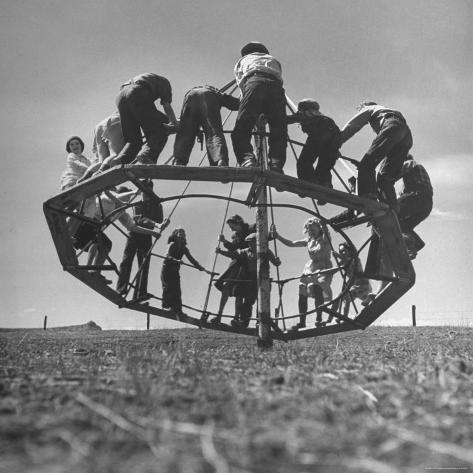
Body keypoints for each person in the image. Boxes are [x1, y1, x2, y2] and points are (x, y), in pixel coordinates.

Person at [72, 187, 162, 285]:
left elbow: (132, 227)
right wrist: (133, 192)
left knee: (106, 244)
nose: (127, 203)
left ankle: (95, 272)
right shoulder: (107, 197)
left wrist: (153, 233)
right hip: (82, 227)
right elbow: (117, 196)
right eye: (127, 200)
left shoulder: (120, 212)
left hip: (90, 234)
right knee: (97, 239)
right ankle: (89, 267)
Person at [340, 101, 413, 210]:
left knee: (366, 164)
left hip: (393, 126)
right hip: (406, 135)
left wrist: (336, 143)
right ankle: (392, 207)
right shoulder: (386, 111)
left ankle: (368, 196)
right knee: (386, 177)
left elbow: (353, 125)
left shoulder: (370, 108)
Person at [100, 73, 179, 171]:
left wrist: (167, 121)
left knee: (133, 141)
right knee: (159, 133)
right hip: (137, 92)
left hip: (121, 97)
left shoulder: (149, 78)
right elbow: (167, 107)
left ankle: (120, 160)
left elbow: (145, 113)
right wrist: (176, 124)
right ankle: (147, 156)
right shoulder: (165, 83)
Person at [231, 41, 287, 172]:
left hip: (254, 82)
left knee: (242, 126)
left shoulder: (243, 60)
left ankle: (247, 159)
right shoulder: (273, 60)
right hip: (277, 88)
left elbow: (242, 85)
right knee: (279, 130)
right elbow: (278, 76)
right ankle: (276, 165)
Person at [271, 218, 333, 330]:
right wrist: (277, 236)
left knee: (317, 287)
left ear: (319, 229)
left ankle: (318, 319)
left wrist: (324, 225)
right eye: (309, 230)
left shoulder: (324, 239)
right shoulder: (309, 240)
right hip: (311, 267)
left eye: (313, 229)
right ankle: (302, 321)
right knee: (302, 288)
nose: (311, 232)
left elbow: (327, 236)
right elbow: (291, 244)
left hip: (324, 267)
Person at [116, 180, 169, 302]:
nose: (145, 194)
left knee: (144, 265)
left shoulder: (157, 205)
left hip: (147, 236)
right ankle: (121, 289)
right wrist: (156, 225)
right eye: (144, 191)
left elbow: (159, 219)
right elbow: (138, 219)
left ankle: (140, 294)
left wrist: (162, 224)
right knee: (127, 261)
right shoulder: (137, 203)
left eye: (147, 191)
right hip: (135, 233)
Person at [216, 233, 280, 328]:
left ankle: (260, 322)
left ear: (257, 242)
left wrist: (277, 261)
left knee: (262, 301)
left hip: (263, 278)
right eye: (249, 243)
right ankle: (243, 322)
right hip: (251, 279)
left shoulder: (266, 251)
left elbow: (276, 263)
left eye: (252, 242)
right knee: (248, 302)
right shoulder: (246, 251)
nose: (250, 244)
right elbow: (234, 254)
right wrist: (221, 252)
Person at [173, 85, 240, 166]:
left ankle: (179, 160)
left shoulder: (195, 91)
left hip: (189, 96)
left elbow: (183, 121)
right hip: (208, 96)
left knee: (185, 131)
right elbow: (233, 103)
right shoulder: (214, 92)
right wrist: (248, 103)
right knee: (213, 132)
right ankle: (220, 159)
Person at [211, 215, 256, 324]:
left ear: (238, 223)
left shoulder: (252, 229)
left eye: (232, 226)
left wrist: (225, 243)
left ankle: (236, 318)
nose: (231, 229)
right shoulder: (235, 235)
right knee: (226, 287)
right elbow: (234, 248)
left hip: (247, 265)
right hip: (236, 263)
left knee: (240, 292)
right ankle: (219, 315)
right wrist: (224, 242)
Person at [287, 99, 341, 188]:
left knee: (304, 161)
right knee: (324, 166)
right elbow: (336, 136)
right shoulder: (325, 118)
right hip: (334, 140)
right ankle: (325, 184)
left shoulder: (305, 114)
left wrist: (269, 118)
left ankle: (308, 181)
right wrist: (335, 149)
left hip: (319, 136)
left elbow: (288, 119)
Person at [161, 228, 209, 316]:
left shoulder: (184, 248)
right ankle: (166, 307)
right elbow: (167, 255)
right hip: (167, 269)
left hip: (175, 271)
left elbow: (191, 259)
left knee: (177, 291)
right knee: (168, 288)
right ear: (176, 235)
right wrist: (176, 260)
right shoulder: (172, 244)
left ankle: (178, 310)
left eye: (184, 234)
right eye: (180, 234)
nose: (182, 236)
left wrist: (200, 267)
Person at [397, 155, 433, 259]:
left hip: (418, 198)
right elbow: (402, 194)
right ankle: (416, 245)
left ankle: (411, 244)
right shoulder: (413, 173)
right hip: (426, 204)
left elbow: (394, 174)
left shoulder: (410, 163)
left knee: (393, 216)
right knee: (404, 226)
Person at [335, 243, 373, 318]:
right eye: (340, 252)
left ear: (349, 251)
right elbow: (333, 270)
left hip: (362, 285)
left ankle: (369, 310)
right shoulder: (342, 261)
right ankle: (341, 317)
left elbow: (348, 259)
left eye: (344, 251)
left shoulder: (355, 259)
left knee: (368, 301)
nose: (342, 253)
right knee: (343, 298)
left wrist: (338, 256)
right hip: (354, 285)